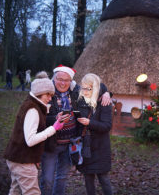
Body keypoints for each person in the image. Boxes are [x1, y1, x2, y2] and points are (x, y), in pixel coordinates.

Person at [40, 65, 111, 195]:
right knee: (47, 179)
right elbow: (40, 116)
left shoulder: (75, 91)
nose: (62, 83)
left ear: (71, 81)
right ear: (54, 79)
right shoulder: (46, 92)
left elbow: (95, 85)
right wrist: (55, 119)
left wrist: (106, 92)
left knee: (62, 177)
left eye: (66, 80)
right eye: (59, 79)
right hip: (51, 142)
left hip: (70, 143)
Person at [3, 73, 65, 194]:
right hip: (22, 160)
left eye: (51, 95)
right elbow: (30, 140)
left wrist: (35, 157)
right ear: (39, 93)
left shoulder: (33, 105)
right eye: (48, 94)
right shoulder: (33, 109)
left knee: (16, 191)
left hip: (17, 157)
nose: (50, 98)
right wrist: (53, 128)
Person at [76, 73, 113, 195]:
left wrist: (89, 123)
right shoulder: (80, 100)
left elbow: (107, 126)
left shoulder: (104, 102)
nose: (85, 91)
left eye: (88, 88)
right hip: (86, 147)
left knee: (103, 179)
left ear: (95, 88)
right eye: (83, 87)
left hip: (100, 147)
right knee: (88, 178)